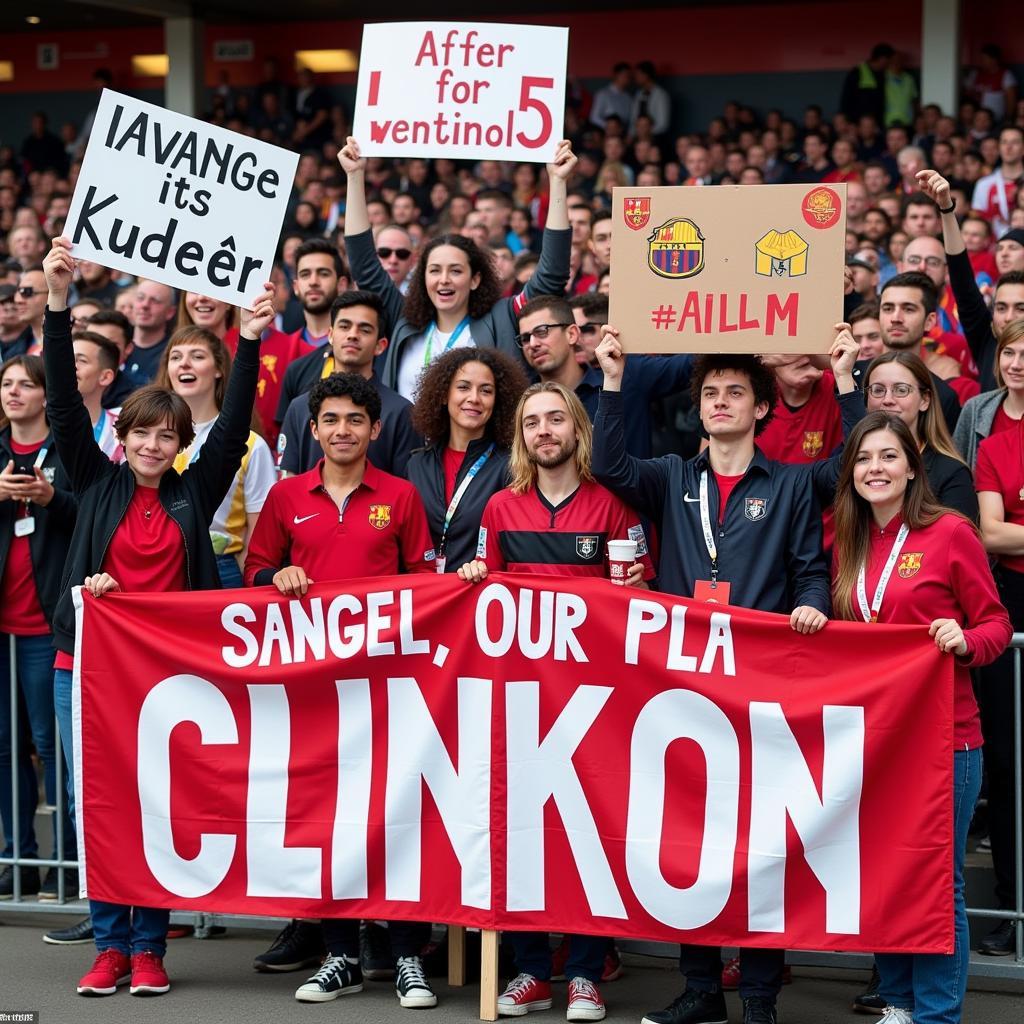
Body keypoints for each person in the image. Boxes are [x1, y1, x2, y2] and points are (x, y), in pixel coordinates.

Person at [41, 235, 270, 997]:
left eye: (164, 434)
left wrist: (251, 335)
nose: (149, 443)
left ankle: (149, 949)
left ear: (177, 444)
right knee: (103, 810)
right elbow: (66, 407)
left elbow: (234, 425)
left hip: (168, 684)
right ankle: (109, 947)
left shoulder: (192, 488)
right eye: (140, 431)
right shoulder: (97, 481)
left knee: (157, 812)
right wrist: (56, 302)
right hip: (87, 674)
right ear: (124, 437)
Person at [592, 329, 841, 1024]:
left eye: (736, 392)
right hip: (683, 690)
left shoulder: (789, 482)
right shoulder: (673, 476)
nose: (721, 402)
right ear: (697, 410)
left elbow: (812, 570)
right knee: (689, 844)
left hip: (761, 689)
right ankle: (700, 988)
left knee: (761, 848)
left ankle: (758, 997)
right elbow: (608, 463)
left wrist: (812, 610)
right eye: (710, 394)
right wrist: (613, 381)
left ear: (763, 409)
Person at [458, 381, 654, 1023]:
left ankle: (585, 976)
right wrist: (472, 582)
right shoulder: (499, 510)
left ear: (577, 430)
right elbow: (484, 599)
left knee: (589, 839)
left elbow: (639, 600)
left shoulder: (615, 506)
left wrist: (631, 588)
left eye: (556, 420)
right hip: (519, 703)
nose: (545, 431)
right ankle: (531, 972)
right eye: (533, 422)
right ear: (522, 436)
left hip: (595, 704)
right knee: (518, 837)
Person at [242, 372, 438, 1009]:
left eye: (356, 420)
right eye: (331, 420)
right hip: (315, 691)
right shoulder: (284, 497)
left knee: (396, 819)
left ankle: (407, 955)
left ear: (375, 429)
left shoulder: (402, 497)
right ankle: (340, 957)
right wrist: (278, 574)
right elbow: (253, 572)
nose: (343, 431)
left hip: (387, 689)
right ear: (313, 429)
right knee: (326, 822)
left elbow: (424, 587)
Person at [832, 412, 1010, 1024]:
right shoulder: (848, 542)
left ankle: (936, 1014)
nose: (874, 469)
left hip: (945, 740)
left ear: (913, 466)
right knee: (883, 875)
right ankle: (900, 1004)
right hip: (874, 739)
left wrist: (964, 639)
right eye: (863, 459)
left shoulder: (951, 533)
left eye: (887, 457)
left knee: (937, 884)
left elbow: (997, 625)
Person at [339, 137, 575, 401]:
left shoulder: (503, 317)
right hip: (409, 444)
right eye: (435, 270)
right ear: (422, 276)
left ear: (475, 279)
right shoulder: (403, 317)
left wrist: (557, 181)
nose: (444, 280)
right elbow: (365, 267)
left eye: (455, 271)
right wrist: (355, 176)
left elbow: (551, 275)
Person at [0, 354, 77, 902]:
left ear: (45, 394)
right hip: (1, 626)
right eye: (6, 384)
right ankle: (18, 857)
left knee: (54, 748)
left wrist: (51, 498)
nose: (14, 393)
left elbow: (92, 512)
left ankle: (67, 861)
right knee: (4, 748)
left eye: (26, 384)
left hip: (44, 626)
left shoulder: (69, 449)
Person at [969, 323, 1024, 957]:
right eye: (1008, 352)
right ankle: (1012, 909)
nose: (1015, 363)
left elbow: (1009, 526)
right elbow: (990, 533)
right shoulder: (992, 441)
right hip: (1013, 603)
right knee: (1010, 765)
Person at [155, 326, 275, 587]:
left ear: (219, 369)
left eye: (197, 356)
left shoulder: (252, 445)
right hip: (157, 565)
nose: (184, 363)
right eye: (176, 357)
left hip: (223, 568)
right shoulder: (146, 441)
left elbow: (260, 534)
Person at [515, 294, 692, 460]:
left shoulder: (626, 375)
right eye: (524, 338)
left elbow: (692, 365)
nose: (532, 344)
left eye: (542, 331)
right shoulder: (522, 403)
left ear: (572, 334)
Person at [407, 347, 528, 573]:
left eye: (486, 390)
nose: (474, 398)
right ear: (444, 395)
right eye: (463, 387)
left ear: (497, 400)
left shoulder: (512, 466)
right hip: (423, 598)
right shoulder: (416, 464)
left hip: (477, 596)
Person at [276, 291, 417, 479]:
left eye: (365, 330)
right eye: (344, 326)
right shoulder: (299, 407)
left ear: (381, 345)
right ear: (331, 335)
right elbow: (287, 484)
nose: (353, 335)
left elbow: (406, 491)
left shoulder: (401, 412)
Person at [918, 168, 1024, 394]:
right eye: (1001, 307)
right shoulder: (986, 339)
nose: (1008, 317)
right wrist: (946, 209)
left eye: (1020, 308)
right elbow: (962, 279)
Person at [855, 351, 977, 519]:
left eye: (901, 390)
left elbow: (961, 542)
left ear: (924, 400)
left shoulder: (950, 473)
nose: (888, 399)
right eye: (878, 390)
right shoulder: (854, 463)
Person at [177, 289, 303, 444]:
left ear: (230, 303)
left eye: (211, 291)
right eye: (193, 291)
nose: (202, 297)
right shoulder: (172, 353)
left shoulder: (255, 347)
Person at [71, 331, 122, 462]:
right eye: (66, 357)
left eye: (81, 360)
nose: (69, 365)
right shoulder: (36, 419)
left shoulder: (124, 426)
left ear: (105, 377)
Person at [125, 279, 177, 382]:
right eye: (140, 298)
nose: (145, 305)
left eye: (155, 301)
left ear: (170, 312)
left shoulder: (173, 355)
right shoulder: (116, 342)